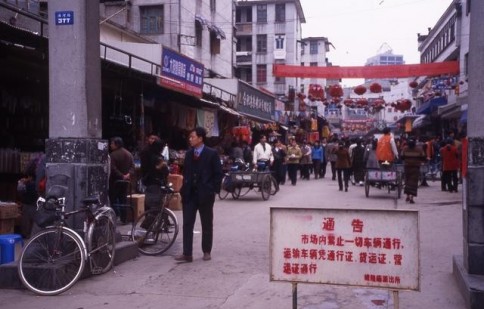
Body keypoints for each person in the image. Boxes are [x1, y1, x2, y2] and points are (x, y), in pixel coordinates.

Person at [175, 127, 223, 263]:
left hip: (205, 194)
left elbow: (218, 173)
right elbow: (186, 172)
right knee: (187, 224)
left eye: (192, 137)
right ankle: (187, 253)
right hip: (190, 194)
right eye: (190, 137)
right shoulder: (189, 154)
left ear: (201, 138)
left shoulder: (212, 153)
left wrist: (213, 190)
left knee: (206, 223)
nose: (190, 139)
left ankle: (206, 251)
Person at [109, 136, 135, 224]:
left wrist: (121, 176)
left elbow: (113, 168)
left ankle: (115, 217)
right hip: (126, 181)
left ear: (116, 144)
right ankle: (124, 218)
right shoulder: (129, 154)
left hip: (115, 181)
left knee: (113, 199)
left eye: (112, 143)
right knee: (123, 199)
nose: (110, 145)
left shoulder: (112, 155)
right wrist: (128, 175)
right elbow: (132, 167)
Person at [401, 138, 426, 204]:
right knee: (414, 183)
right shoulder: (419, 149)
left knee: (407, 181)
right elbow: (423, 157)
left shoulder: (405, 148)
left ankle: (407, 196)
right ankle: (412, 197)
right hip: (415, 168)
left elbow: (402, 157)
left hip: (407, 167)